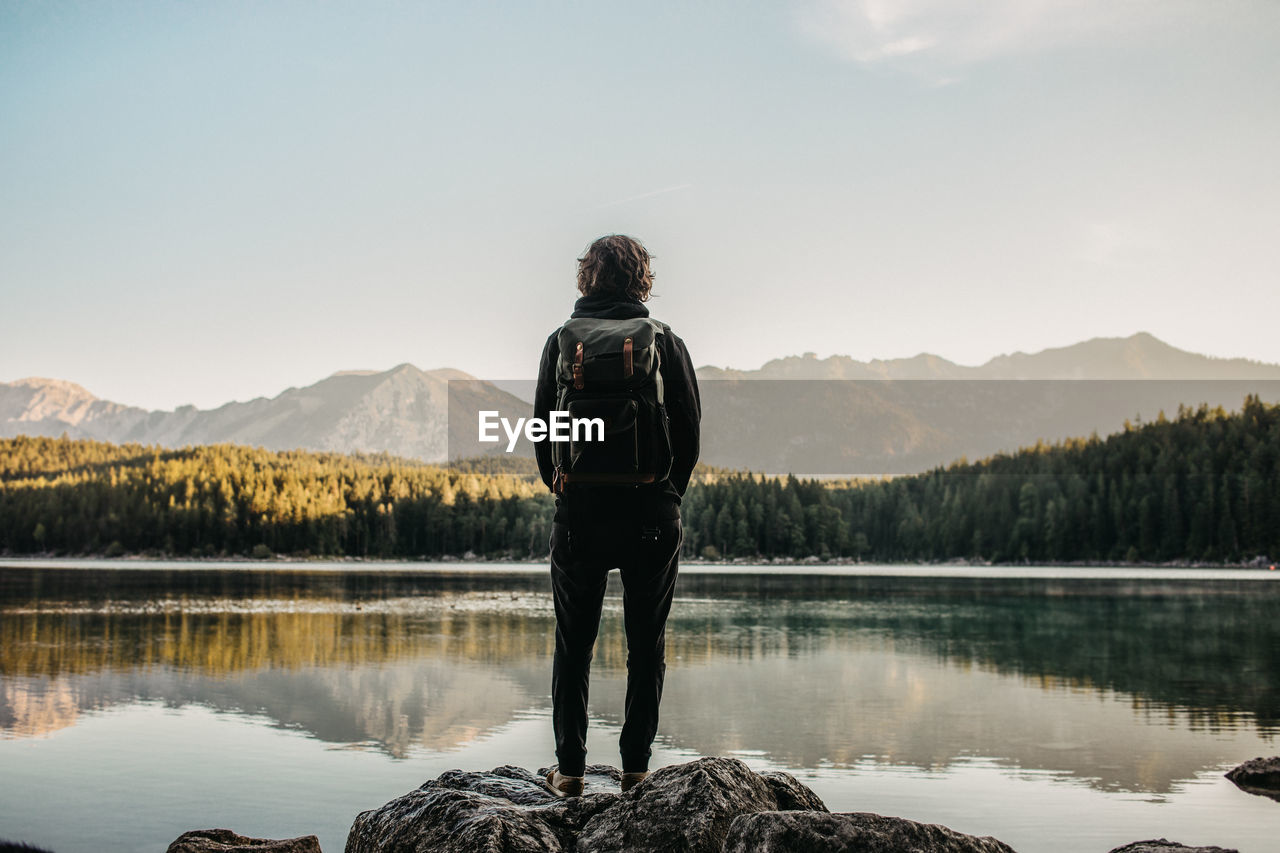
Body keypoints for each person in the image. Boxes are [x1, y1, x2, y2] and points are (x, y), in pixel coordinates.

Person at [534, 234, 701, 796]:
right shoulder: (665, 342)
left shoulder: (560, 343)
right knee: (645, 644)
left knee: (572, 645)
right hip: (651, 516)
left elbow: (543, 437)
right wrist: (664, 494)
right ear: (642, 280)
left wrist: (569, 493)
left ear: (587, 278)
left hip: (578, 517)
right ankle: (635, 770)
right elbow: (690, 435)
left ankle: (571, 772)